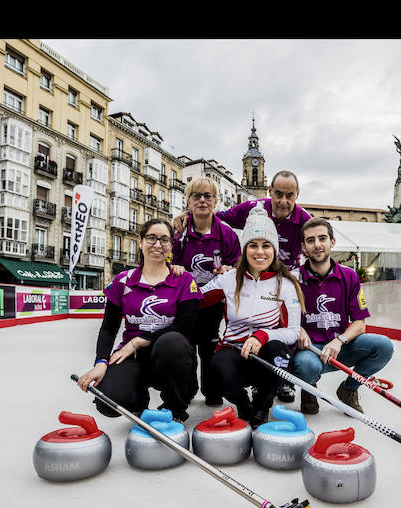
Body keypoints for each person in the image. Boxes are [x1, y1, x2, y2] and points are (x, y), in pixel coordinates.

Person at [174, 170, 311, 403]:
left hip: (281, 275)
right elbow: (217, 216)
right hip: (243, 281)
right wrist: (190, 213)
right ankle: (226, 378)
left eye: (290, 195)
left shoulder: (305, 219)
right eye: (278, 194)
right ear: (270, 191)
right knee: (227, 333)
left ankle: (282, 381)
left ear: (297, 195)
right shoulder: (251, 206)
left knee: (281, 337)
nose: (284, 201)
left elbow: (317, 242)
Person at [76, 218, 202, 422]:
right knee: (108, 402)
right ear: (141, 241)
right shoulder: (122, 280)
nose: (158, 245)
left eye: (164, 240)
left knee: (173, 340)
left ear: (171, 245)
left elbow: (185, 327)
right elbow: (109, 327)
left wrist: (138, 340)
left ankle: (174, 409)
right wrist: (101, 362)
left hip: (171, 356)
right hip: (133, 356)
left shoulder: (184, 279)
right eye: (151, 238)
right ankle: (138, 400)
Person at [199, 203, 305, 428]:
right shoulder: (229, 279)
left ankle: (262, 406)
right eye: (253, 245)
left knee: (280, 353)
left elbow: (293, 333)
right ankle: (242, 403)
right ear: (245, 249)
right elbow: (194, 300)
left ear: (274, 249)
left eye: (266, 245)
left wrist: (262, 336)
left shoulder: (286, 285)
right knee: (215, 371)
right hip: (234, 350)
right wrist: (173, 277)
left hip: (265, 353)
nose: (259, 252)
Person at [291, 217, 394, 415]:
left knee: (383, 346)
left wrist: (339, 341)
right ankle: (309, 389)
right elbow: (284, 316)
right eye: (311, 240)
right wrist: (299, 329)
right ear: (304, 247)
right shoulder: (294, 278)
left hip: (339, 347)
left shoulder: (349, 276)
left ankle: (349, 389)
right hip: (310, 350)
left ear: (332, 242)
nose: (317, 245)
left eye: (322, 238)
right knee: (305, 366)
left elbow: (359, 323)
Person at [170, 177, 241, 406]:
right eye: (196, 196)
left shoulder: (227, 234)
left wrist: (230, 269)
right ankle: (188, 391)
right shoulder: (178, 233)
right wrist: (174, 267)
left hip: (212, 302)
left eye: (208, 196)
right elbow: (166, 264)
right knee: (186, 347)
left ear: (216, 201)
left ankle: (212, 391)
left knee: (209, 347)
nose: (202, 200)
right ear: (188, 201)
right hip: (184, 303)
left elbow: (238, 266)